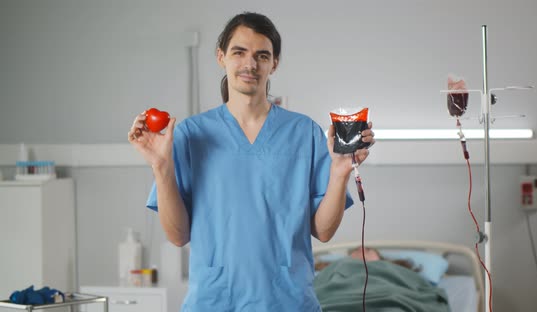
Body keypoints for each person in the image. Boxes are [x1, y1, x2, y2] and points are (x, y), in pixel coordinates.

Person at [128, 11, 375, 311]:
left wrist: (339, 173)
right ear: (221, 56)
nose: (250, 64)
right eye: (239, 52)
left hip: (287, 302)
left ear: (274, 63)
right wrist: (161, 167)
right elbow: (178, 236)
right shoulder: (191, 135)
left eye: (261, 55)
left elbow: (323, 231)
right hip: (215, 302)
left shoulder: (304, 133)